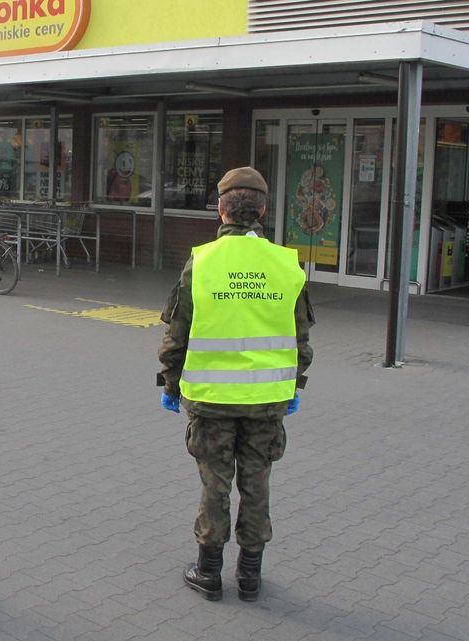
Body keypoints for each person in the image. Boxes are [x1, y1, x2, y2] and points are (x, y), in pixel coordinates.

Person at [157, 167, 314, 602]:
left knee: (215, 483)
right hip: (268, 399)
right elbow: (300, 339)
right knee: (257, 481)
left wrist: (170, 385)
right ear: (262, 211)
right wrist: (294, 386)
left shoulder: (202, 262)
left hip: (211, 399)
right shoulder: (286, 264)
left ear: (221, 211)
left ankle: (208, 571)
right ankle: (249, 575)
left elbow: (177, 335)